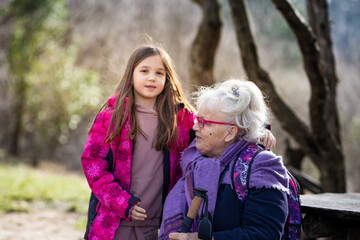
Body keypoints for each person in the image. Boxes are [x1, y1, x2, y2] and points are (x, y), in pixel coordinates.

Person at [81, 45, 276, 240]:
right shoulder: (111, 118)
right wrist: (121, 202)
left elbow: (218, 124)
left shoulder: (179, 119)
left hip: (156, 223)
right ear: (130, 74)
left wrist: (259, 132)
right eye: (144, 71)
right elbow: (92, 163)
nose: (151, 78)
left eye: (159, 73)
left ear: (167, 78)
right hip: (114, 220)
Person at [159, 79, 289, 240]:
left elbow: (264, 235)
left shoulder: (262, 167)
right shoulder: (195, 161)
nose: (195, 127)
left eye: (204, 122)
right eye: (196, 119)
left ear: (230, 132)